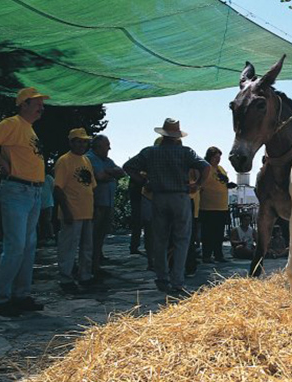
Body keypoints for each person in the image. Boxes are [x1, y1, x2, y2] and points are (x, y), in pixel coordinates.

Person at [123, 119, 210, 295]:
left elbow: (128, 167)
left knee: (160, 240)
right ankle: (177, 281)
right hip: (180, 196)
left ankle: (161, 277)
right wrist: (198, 185)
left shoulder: (150, 152)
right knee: (182, 240)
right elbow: (206, 167)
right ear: (177, 136)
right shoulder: (186, 152)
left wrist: (144, 181)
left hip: (159, 197)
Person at [0, 88, 49, 316]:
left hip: (33, 192)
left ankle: (21, 295)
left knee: (28, 247)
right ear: (24, 104)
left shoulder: (29, 129)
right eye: (38, 103)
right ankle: (1, 298)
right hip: (17, 190)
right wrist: (2, 163)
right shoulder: (12, 123)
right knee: (15, 246)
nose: (42, 107)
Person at [54, 128, 98, 293]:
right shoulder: (64, 161)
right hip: (72, 212)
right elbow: (58, 188)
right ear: (71, 142)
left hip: (87, 211)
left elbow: (91, 187)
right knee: (68, 246)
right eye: (78, 141)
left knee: (87, 247)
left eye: (84, 141)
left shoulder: (86, 161)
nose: (82, 144)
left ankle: (84, 275)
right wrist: (66, 211)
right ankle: (65, 278)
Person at [86, 134, 125, 279]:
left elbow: (121, 172)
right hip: (96, 203)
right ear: (98, 146)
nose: (109, 148)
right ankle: (90, 265)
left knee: (100, 234)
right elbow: (99, 176)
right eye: (107, 145)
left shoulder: (107, 160)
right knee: (92, 235)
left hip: (107, 202)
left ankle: (96, 263)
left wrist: (108, 172)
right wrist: (110, 173)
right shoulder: (89, 158)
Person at [199, 146, 236, 263]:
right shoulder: (205, 168)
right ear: (209, 157)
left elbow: (222, 182)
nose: (218, 159)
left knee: (219, 234)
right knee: (208, 234)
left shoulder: (220, 169)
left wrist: (228, 185)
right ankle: (206, 255)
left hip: (221, 206)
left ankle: (218, 255)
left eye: (219, 157)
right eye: (215, 157)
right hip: (208, 207)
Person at [38, 170, 55, 247]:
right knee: (39, 222)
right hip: (38, 204)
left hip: (48, 203)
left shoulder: (48, 178)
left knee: (47, 221)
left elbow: (53, 187)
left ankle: (50, 237)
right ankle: (41, 237)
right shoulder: (36, 177)